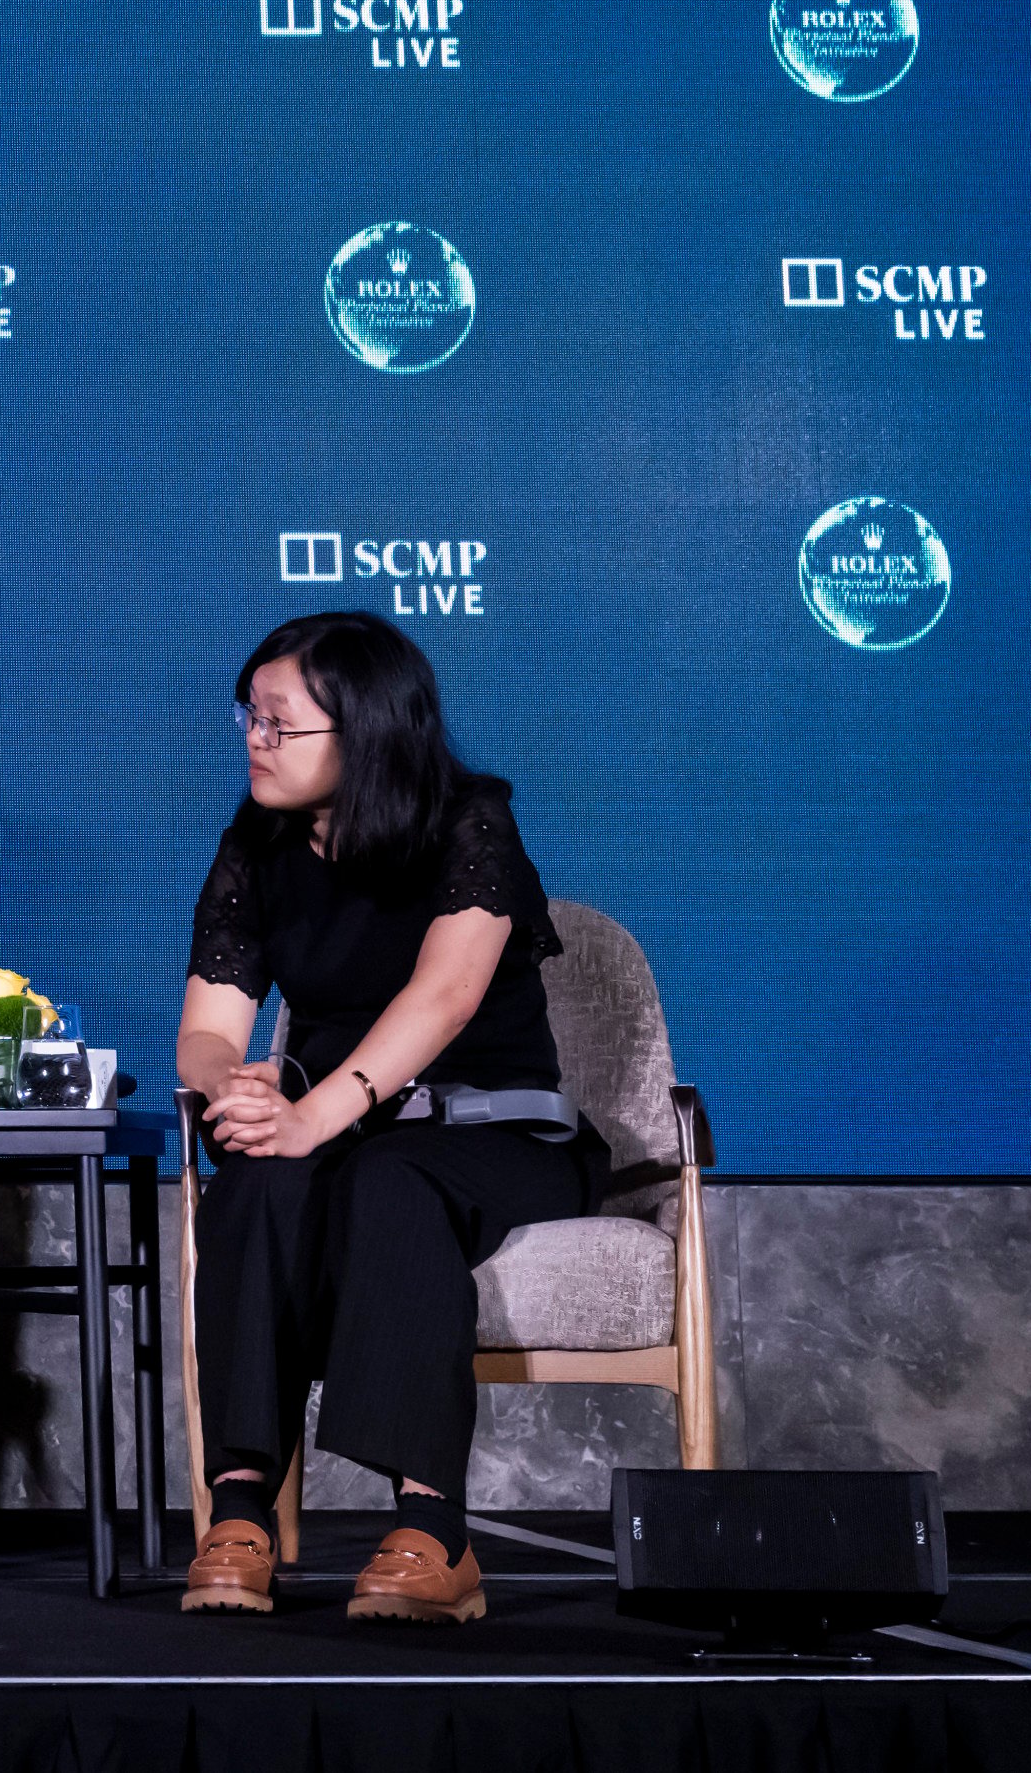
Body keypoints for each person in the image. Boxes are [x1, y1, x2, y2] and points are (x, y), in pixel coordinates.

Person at [174, 613, 609, 1625]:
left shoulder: (471, 823)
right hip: (337, 1132)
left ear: (364, 732)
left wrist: (315, 1111)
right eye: (251, 716)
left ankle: (433, 1528)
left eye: (280, 722)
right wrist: (232, 1085)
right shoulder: (258, 845)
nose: (255, 739)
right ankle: (237, 1513)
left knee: (390, 1181)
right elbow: (206, 1022)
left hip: (495, 1136)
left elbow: (444, 997)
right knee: (256, 1179)